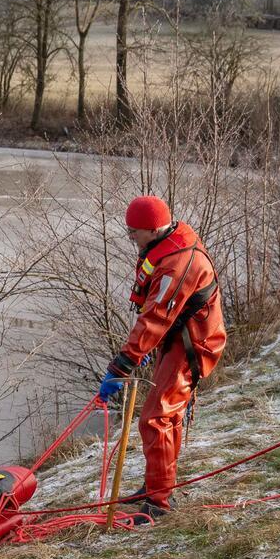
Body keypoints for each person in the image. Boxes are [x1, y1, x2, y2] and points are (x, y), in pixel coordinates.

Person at [96, 195, 227, 524]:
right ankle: (156, 485)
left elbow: (155, 316)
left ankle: (159, 503)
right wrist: (138, 353)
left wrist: (123, 363)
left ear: (153, 230)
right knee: (165, 416)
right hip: (178, 338)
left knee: (155, 418)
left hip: (193, 345)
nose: (132, 239)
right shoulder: (167, 242)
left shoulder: (176, 261)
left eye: (134, 233)